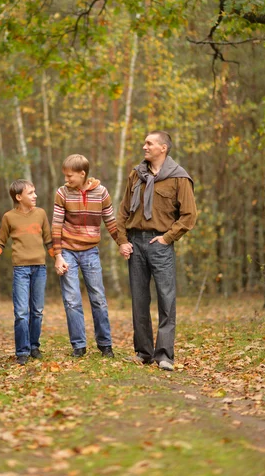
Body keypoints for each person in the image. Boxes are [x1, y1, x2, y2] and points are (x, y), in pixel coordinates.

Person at [117, 131, 197, 371]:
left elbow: (189, 215)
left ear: (163, 148)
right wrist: (122, 240)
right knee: (139, 300)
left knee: (166, 299)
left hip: (159, 244)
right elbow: (122, 212)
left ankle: (164, 355)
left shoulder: (178, 178)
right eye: (144, 143)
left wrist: (167, 238)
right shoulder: (136, 175)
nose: (144, 147)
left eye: (149, 143)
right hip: (135, 244)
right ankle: (143, 352)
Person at [52, 154, 117, 358]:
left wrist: (122, 243)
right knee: (72, 300)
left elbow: (111, 221)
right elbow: (56, 226)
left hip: (90, 252)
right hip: (68, 251)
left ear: (82, 174)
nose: (66, 179)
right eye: (65, 175)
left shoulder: (101, 193)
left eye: (70, 176)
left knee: (98, 298)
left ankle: (105, 344)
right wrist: (58, 256)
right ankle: (78, 346)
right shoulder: (62, 193)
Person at [0, 179, 54, 366]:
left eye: (35, 192)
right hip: (20, 269)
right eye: (30, 193)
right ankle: (22, 351)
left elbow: (48, 241)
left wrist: (58, 259)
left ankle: (34, 346)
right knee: (21, 312)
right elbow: (0, 242)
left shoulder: (41, 214)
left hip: (40, 268)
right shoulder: (8, 217)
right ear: (19, 197)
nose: (35, 195)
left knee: (37, 311)